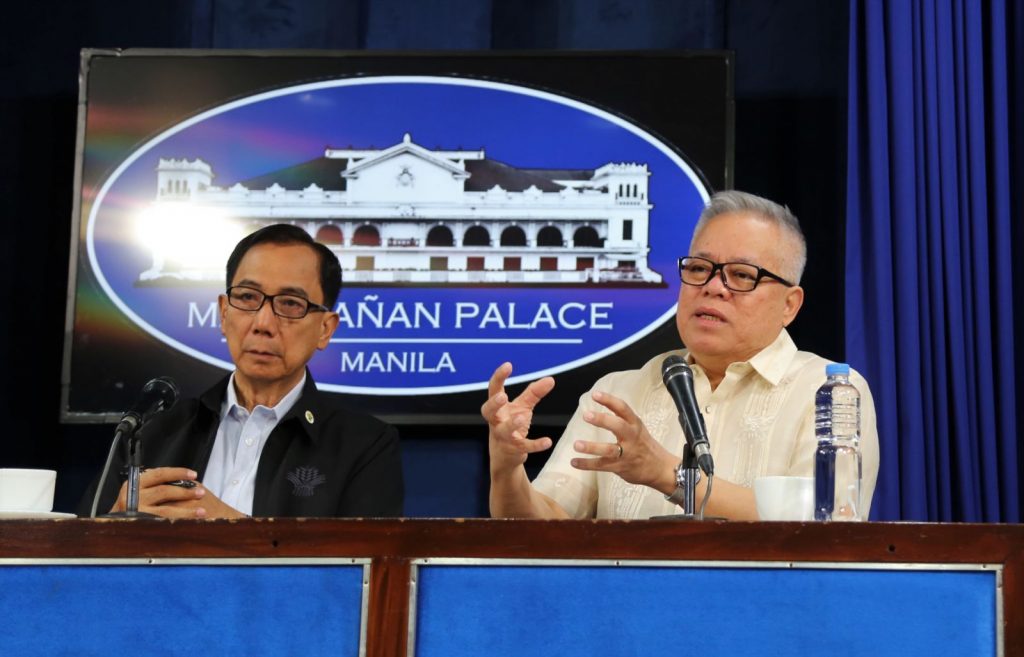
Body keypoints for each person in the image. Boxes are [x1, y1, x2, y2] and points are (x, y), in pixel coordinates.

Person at [483, 190, 879, 520]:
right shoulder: (617, 394)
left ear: (790, 305)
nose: (713, 287)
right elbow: (541, 529)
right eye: (699, 268)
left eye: (742, 275)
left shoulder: (828, 392)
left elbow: (827, 522)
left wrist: (666, 473)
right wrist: (506, 469)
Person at [79, 224, 403, 519]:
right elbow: (79, 553)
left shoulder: (364, 446)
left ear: (325, 329)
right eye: (247, 297)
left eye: (291, 304)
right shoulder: (151, 431)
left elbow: (363, 562)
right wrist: (113, 523)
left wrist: (228, 527)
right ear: (224, 313)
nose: (263, 323)